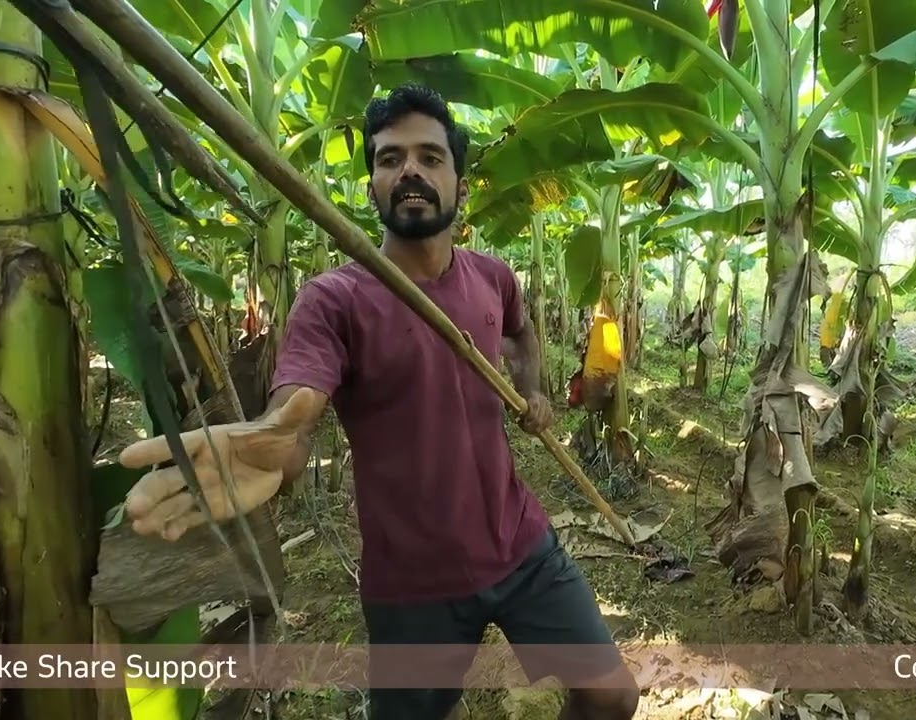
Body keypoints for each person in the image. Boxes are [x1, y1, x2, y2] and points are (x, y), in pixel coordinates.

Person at [116, 84, 640, 720]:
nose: (410, 170)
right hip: (412, 585)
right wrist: (276, 440)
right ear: (371, 187)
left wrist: (531, 388)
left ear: (460, 185)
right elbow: (296, 412)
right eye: (390, 159)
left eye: (429, 156)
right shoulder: (333, 299)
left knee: (611, 695)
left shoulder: (492, 277)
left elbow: (521, 330)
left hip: (520, 544)